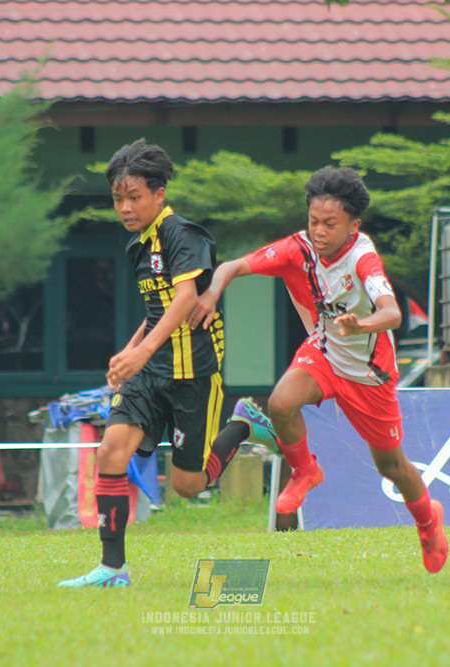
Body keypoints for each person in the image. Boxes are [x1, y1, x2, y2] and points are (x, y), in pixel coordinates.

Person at [189, 166, 448, 574]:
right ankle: (306, 470)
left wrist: (363, 324)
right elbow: (232, 267)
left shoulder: (364, 258)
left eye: (330, 223)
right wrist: (211, 293)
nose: (319, 231)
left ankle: (429, 524)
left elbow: (393, 313)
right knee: (281, 402)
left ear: (353, 225)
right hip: (325, 354)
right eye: (313, 221)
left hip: (369, 375)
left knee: (392, 466)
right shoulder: (298, 248)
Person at [58, 139, 277, 588]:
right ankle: (113, 569)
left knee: (188, 486)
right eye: (117, 199)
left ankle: (243, 425)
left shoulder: (183, 235)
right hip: (152, 371)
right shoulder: (139, 246)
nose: (124, 207)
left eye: (133, 197)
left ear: (159, 194)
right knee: (110, 451)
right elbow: (158, 311)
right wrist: (132, 349)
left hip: (194, 374)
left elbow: (185, 299)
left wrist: (139, 352)